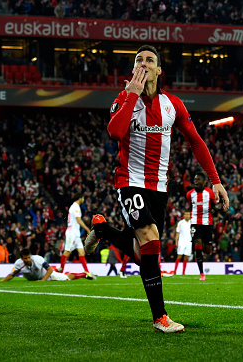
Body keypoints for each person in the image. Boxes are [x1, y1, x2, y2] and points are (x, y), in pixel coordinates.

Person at [85, 44, 229, 333]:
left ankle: (101, 230)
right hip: (129, 181)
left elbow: (196, 141)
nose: (145, 63)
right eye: (139, 60)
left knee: (142, 252)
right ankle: (160, 318)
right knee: (151, 239)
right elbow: (114, 132)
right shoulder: (123, 99)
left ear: (159, 70)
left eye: (150, 60)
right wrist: (132, 96)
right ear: (135, 69)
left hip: (159, 187)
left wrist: (215, 179)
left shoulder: (173, 104)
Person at [187, 172, 217, 281]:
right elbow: (190, 205)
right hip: (195, 222)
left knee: (208, 250)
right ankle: (202, 273)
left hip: (207, 223)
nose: (196, 181)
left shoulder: (210, 193)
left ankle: (205, 244)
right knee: (197, 245)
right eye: (195, 179)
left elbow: (214, 205)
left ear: (204, 181)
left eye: (198, 179)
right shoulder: (190, 194)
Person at [0, 248, 95, 282]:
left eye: (29, 257)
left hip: (48, 275)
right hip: (36, 277)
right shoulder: (18, 263)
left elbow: (49, 269)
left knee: (67, 278)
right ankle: (57, 269)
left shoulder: (37, 259)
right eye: (25, 258)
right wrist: (3, 281)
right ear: (21, 258)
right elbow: (12, 274)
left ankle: (84, 274)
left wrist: (43, 280)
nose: (28, 260)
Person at [61, 193, 92, 275]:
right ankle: (61, 272)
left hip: (76, 233)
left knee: (81, 252)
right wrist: (87, 229)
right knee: (67, 252)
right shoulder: (75, 207)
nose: (83, 200)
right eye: (83, 198)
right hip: (72, 232)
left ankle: (87, 272)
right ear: (80, 198)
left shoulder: (74, 206)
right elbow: (78, 220)